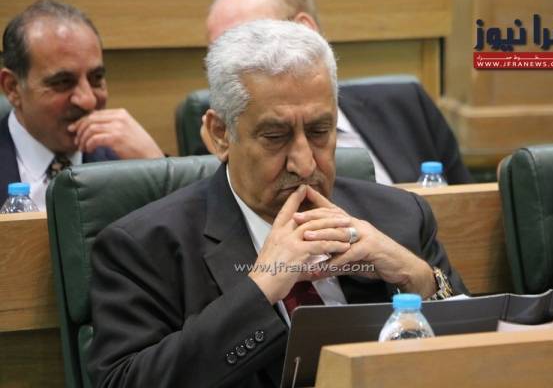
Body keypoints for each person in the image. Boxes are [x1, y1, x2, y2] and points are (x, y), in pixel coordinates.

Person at [89, 20, 466, 388]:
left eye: (320, 131)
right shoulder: (144, 248)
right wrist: (259, 290)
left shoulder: (400, 217)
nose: (305, 163)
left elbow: (477, 354)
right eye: (275, 136)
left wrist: (418, 279)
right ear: (221, 135)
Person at [201, 0, 473, 185]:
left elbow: (468, 207)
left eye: (250, 44)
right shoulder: (220, 143)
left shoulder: (407, 104)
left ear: (306, 31)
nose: (304, 164)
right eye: (218, 56)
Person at [0, 0, 164, 209]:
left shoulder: (132, 162)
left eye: (96, 78)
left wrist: (159, 170)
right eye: (63, 82)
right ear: (13, 88)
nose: (88, 100)